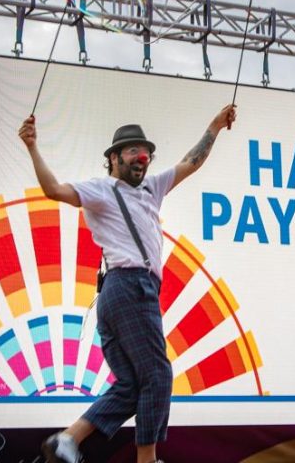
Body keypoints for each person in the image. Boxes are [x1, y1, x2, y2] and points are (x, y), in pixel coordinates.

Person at [18, 104, 237, 463]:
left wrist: (214, 125)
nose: (142, 157)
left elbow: (191, 162)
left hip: (119, 294)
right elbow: (54, 190)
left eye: (146, 151)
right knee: (157, 374)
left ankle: (67, 440)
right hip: (130, 286)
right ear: (114, 158)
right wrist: (32, 146)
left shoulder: (153, 187)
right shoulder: (103, 189)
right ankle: (146, 460)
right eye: (133, 150)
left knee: (132, 386)